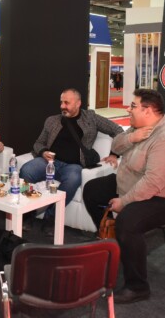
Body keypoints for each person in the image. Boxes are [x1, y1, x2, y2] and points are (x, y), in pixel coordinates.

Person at [82, 88, 165, 304]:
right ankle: (114, 243)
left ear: (148, 110)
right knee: (92, 190)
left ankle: (138, 286)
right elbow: (116, 145)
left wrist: (123, 201)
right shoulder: (137, 127)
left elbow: (153, 183)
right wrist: (132, 137)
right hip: (134, 184)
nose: (128, 109)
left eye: (133, 106)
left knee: (128, 220)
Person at [19, 88, 123, 229]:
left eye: (66, 103)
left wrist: (114, 153)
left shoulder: (91, 118)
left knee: (74, 177)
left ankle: (50, 218)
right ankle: (27, 214)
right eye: (61, 102)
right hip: (49, 162)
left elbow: (118, 130)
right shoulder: (52, 120)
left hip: (73, 166)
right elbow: (38, 143)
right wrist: (43, 152)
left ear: (78, 103)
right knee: (26, 171)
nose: (62, 106)